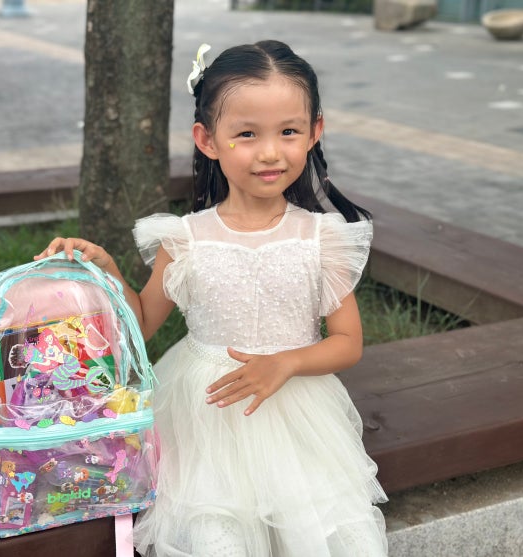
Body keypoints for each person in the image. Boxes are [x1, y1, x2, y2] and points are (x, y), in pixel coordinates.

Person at [36, 40, 388, 556]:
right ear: (208, 139)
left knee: (332, 537)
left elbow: (348, 342)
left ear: (315, 131)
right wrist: (107, 269)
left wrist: (286, 362)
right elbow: (142, 323)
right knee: (216, 538)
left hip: (298, 414)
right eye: (247, 134)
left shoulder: (322, 237)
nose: (270, 152)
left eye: (288, 132)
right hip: (205, 416)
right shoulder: (185, 238)